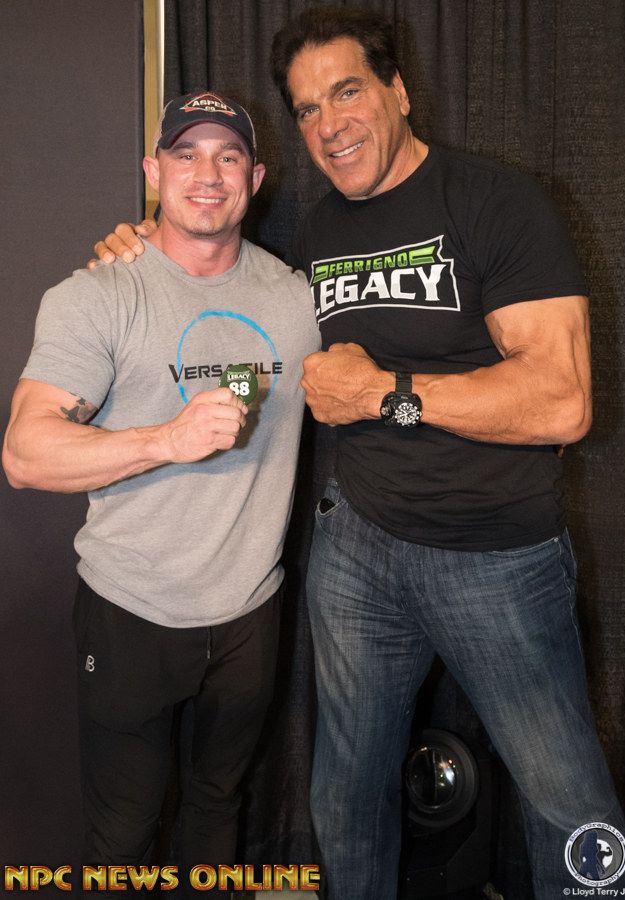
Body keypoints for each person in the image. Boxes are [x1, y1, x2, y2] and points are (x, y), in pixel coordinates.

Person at [88, 8, 625, 899]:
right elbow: (228, 289)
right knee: (344, 801)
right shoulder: (320, 232)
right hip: (359, 552)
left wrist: (387, 393)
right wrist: (146, 245)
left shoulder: (495, 202)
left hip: (496, 556)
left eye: (347, 92)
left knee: (568, 802)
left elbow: (564, 400)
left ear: (399, 91)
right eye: (307, 109)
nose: (329, 124)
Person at [2, 90, 320, 890]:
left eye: (228, 156)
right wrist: (164, 441)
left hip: (250, 614)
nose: (207, 174)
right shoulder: (101, 293)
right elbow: (25, 454)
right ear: (153, 171)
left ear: (255, 178)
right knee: (124, 836)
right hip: (131, 612)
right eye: (186, 154)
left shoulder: (296, 298)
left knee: (218, 811)